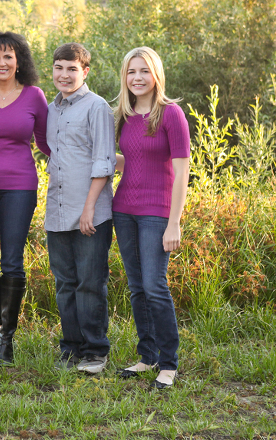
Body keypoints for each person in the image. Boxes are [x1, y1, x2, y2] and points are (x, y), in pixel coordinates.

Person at [0, 31, 49, 366]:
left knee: (12, 261)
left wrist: (95, 162)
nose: (1, 62)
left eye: (8, 56)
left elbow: (48, 143)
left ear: (19, 61)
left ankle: (7, 339)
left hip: (20, 187)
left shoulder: (34, 96)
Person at [112, 47, 190, 389]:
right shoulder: (123, 115)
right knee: (136, 287)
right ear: (125, 77)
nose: (138, 77)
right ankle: (147, 356)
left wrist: (174, 222)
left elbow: (182, 171)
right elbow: (130, 160)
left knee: (155, 286)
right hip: (123, 209)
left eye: (144, 70)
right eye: (132, 72)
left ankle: (168, 363)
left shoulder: (171, 114)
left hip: (157, 212)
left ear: (156, 74)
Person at [46, 43, 116, 374]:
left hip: (90, 214)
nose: (64, 75)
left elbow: (104, 161)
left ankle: (95, 351)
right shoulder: (51, 110)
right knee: (65, 283)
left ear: (85, 72)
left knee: (90, 283)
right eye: (59, 68)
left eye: (72, 69)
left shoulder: (97, 107)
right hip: (57, 211)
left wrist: (89, 209)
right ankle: (71, 348)